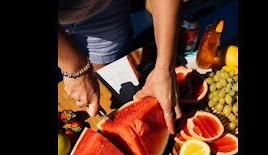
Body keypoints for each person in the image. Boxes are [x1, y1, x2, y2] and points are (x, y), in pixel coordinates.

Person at [58, 0, 183, 134]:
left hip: (102, 10)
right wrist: (75, 68)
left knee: (103, 78)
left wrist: (164, 68)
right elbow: (76, 69)